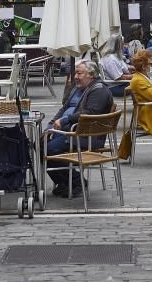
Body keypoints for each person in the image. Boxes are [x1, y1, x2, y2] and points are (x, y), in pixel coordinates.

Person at [46, 61, 115, 198]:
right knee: (39, 144)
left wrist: (65, 120)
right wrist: (51, 124)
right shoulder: (78, 88)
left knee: (48, 149)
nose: (76, 76)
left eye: (79, 73)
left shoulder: (99, 90)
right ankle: (66, 183)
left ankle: (76, 182)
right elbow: (64, 108)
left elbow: (89, 113)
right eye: (75, 72)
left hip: (85, 136)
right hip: (68, 131)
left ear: (91, 75)